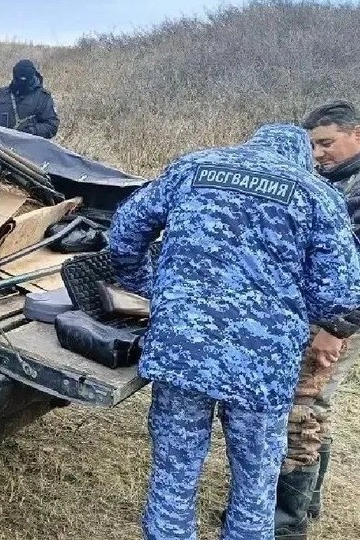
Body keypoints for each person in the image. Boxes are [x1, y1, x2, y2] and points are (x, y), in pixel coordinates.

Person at [108, 124, 360, 540]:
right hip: (263, 365)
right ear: (301, 155)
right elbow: (340, 296)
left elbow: (123, 235)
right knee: (255, 488)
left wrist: (149, 287)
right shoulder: (317, 195)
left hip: (182, 349)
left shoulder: (193, 167)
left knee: (173, 475)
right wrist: (293, 313)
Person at [273, 101, 360, 540]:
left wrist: (336, 328)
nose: (319, 153)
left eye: (327, 143)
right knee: (317, 405)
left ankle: (286, 524)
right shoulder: (337, 180)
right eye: (313, 146)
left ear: (357, 134)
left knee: (300, 411)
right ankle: (308, 504)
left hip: (337, 320)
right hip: (327, 314)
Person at [0, 59, 59, 139]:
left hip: (30, 144)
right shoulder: (2, 94)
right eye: (19, 78)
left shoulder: (43, 97)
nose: (22, 81)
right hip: (1, 143)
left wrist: (32, 131)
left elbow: (52, 126)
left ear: (32, 76)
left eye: (25, 79)